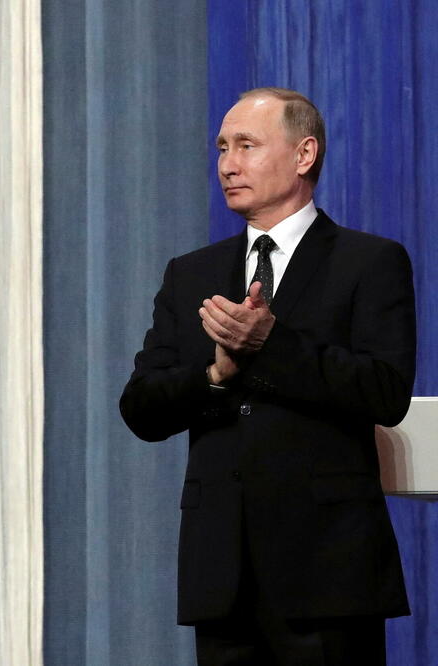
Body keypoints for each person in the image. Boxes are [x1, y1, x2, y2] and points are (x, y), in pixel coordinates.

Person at [120, 88, 415, 664]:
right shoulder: (191, 273)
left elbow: (385, 391)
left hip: (327, 575)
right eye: (222, 148)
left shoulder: (369, 261)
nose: (227, 165)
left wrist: (270, 345)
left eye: (246, 146)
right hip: (221, 577)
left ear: (304, 155)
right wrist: (216, 373)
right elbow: (142, 408)